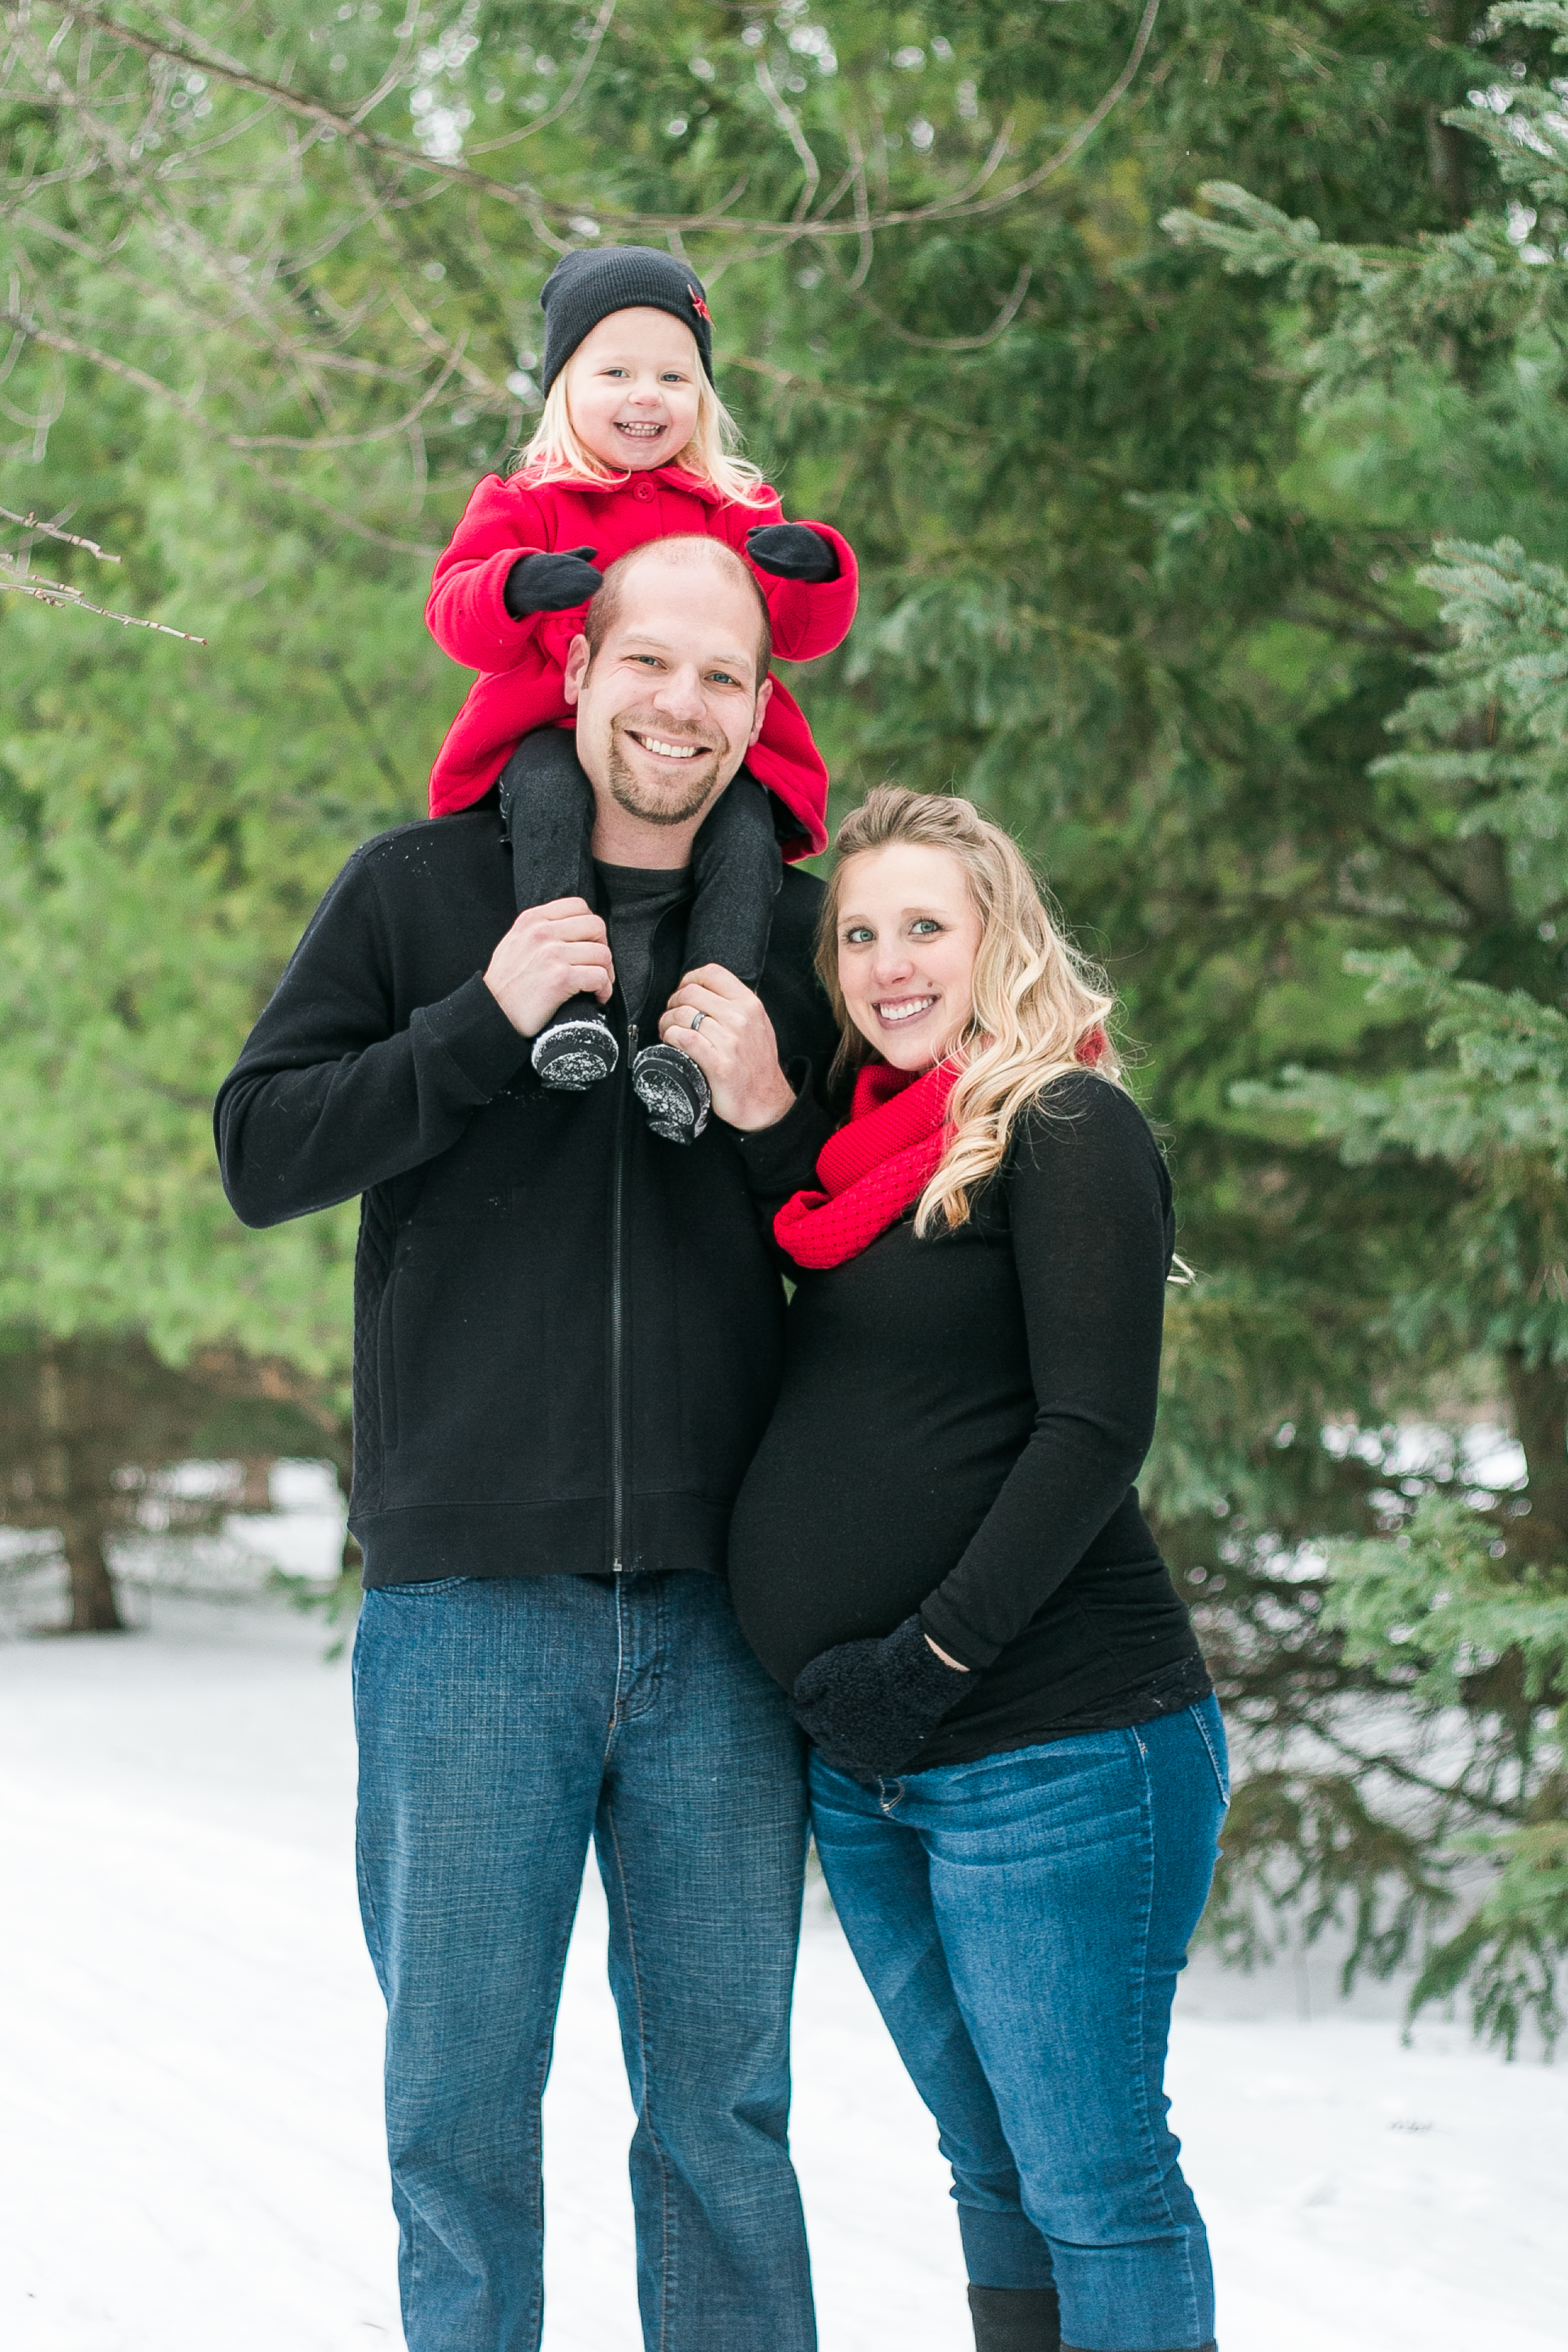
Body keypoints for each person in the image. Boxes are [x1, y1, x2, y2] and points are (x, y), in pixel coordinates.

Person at [214, 534, 842, 2352]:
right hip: (470, 1607)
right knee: (460, 2119)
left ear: (757, 704)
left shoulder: (798, 939)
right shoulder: (417, 894)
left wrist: (765, 1111)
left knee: (723, 2125)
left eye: (724, 677)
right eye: (651, 661)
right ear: (574, 672)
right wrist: (479, 1022)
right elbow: (261, 1146)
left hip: (727, 1617)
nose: (683, 706)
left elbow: (866, 1242)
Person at [725, 785, 1227, 2352]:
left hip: (1054, 1744)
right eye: (858, 933)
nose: (886, 962)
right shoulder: (861, 1160)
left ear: (996, 934)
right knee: (993, 2170)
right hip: (878, 1761)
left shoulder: (1065, 1124)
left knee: (1093, 2178)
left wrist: (922, 1667)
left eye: (923, 925)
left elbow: (1090, 1436)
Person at [425, 244, 857, 1140]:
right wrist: (511, 585)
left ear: (702, 395)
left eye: (673, 374)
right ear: (562, 387)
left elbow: (802, 634)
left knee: (744, 835)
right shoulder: (527, 499)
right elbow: (453, 611)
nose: (645, 395)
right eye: (614, 370)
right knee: (547, 793)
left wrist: (815, 569)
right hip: (546, 730)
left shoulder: (733, 506)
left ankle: (697, 1042)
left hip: (689, 753)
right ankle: (570, 1006)